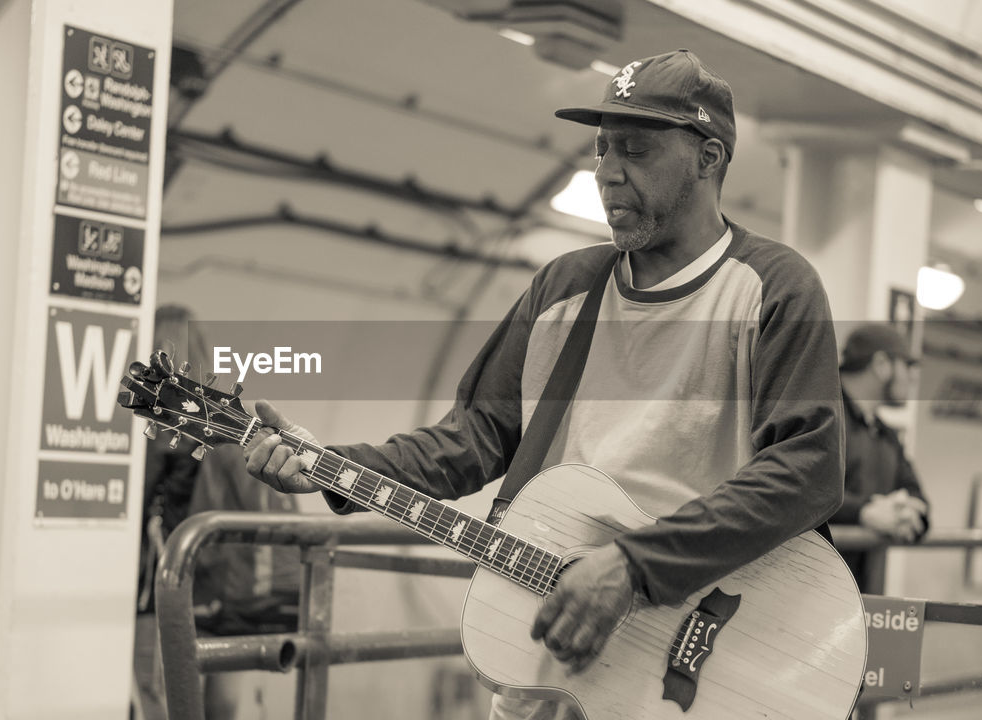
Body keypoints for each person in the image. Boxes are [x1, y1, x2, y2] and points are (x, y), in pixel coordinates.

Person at [245, 49, 845, 720]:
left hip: (699, 646)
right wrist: (328, 466)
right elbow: (472, 438)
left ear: (709, 157)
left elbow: (806, 469)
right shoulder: (565, 288)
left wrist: (632, 565)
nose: (608, 174)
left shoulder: (772, 288)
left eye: (636, 151)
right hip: (548, 653)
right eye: (601, 150)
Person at [133, 305, 300, 720]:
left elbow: (146, 503)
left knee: (160, 692)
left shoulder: (161, 424)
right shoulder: (226, 419)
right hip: (227, 586)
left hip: (171, 579)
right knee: (221, 704)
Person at [828, 323, 930, 587]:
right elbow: (802, 491)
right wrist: (863, 512)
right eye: (908, 365)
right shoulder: (820, 417)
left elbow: (917, 495)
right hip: (809, 596)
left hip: (864, 599)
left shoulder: (886, 435)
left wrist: (909, 514)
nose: (913, 377)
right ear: (882, 364)